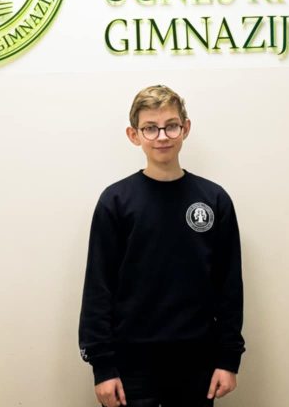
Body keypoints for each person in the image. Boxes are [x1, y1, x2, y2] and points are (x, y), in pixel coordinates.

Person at [78, 85, 245, 407]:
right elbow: (98, 288)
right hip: (131, 364)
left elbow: (229, 287)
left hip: (197, 362)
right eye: (150, 128)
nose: (162, 136)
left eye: (171, 126)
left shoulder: (213, 200)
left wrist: (228, 359)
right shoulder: (116, 201)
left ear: (186, 128)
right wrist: (103, 366)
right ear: (134, 135)